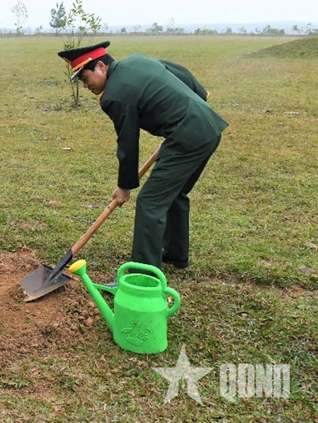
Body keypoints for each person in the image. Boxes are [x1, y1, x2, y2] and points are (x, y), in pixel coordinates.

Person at [58, 41, 228, 273]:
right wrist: (198, 95)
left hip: (187, 137)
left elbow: (127, 141)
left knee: (151, 202)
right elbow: (179, 72)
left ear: (101, 66)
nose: (85, 85)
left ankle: (142, 276)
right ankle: (175, 254)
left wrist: (124, 186)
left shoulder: (115, 96)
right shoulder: (137, 61)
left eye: (86, 78)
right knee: (175, 192)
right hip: (209, 127)